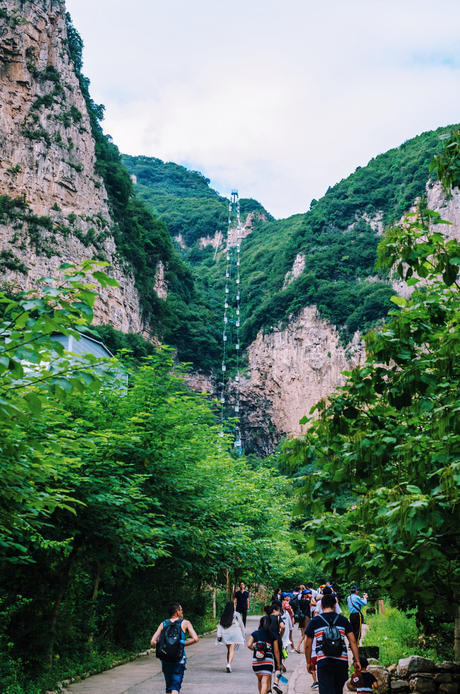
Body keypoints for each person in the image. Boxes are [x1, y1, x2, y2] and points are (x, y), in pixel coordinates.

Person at [305, 593, 361, 694]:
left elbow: (308, 645)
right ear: (335, 605)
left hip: (324, 661)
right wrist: (357, 660)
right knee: (338, 690)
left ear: (321, 606)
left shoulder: (315, 621)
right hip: (341, 662)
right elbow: (353, 641)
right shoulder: (343, 620)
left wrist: (309, 662)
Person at [151, 602, 199, 694]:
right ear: (177, 612)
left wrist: (164, 645)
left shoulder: (164, 623)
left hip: (165, 658)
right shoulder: (185, 623)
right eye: (181, 610)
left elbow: (153, 641)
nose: (182, 612)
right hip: (179, 658)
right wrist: (182, 643)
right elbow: (195, 639)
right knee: (175, 687)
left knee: (169, 687)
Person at [247, 613, 281, 694]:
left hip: (256, 662)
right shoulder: (273, 635)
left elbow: (249, 645)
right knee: (265, 681)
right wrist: (278, 664)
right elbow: (276, 651)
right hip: (267, 662)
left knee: (259, 680)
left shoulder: (255, 633)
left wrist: (256, 650)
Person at [217, 600, 245, 672]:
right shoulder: (236, 614)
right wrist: (243, 636)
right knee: (231, 650)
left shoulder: (223, 614)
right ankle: (229, 664)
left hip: (225, 635)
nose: (235, 606)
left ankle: (228, 664)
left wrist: (219, 635)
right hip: (234, 634)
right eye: (234, 605)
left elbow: (220, 625)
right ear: (233, 607)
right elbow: (242, 625)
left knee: (229, 650)